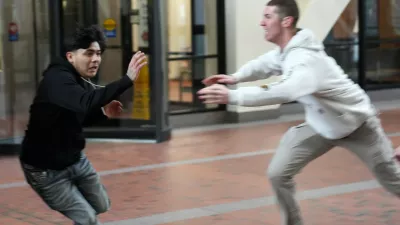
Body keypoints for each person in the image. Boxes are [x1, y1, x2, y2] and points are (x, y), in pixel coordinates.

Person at [198, 0, 400, 224]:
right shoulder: (287, 51)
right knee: (278, 174)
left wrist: (234, 96)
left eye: (267, 17)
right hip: (321, 126)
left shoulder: (305, 60)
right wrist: (236, 78)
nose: (261, 22)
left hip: (359, 126)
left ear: (286, 21)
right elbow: (265, 63)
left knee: (393, 180)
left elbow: (286, 90)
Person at [19, 25, 147, 225]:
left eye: (98, 53)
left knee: (102, 205)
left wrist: (103, 113)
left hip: (75, 160)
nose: (95, 59)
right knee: (87, 219)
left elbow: (77, 116)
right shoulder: (57, 80)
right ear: (70, 57)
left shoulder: (79, 80)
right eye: (89, 53)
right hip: (45, 170)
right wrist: (127, 80)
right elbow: (85, 102)